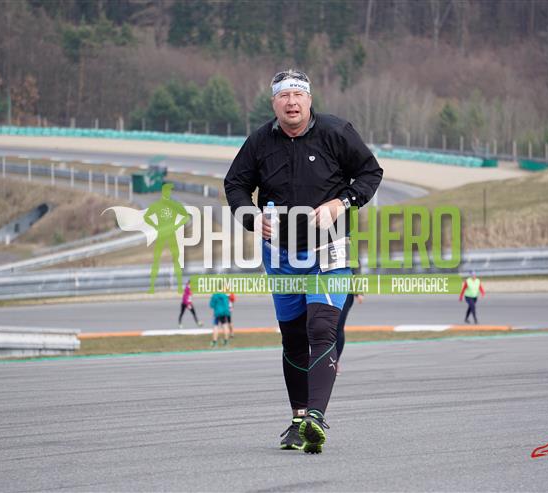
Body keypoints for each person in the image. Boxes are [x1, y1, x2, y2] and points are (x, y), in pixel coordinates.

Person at [224, 69, 383, 454]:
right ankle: (298, 420)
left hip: (330, 247)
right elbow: (236, 185)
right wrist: (251, 217)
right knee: (293, 336)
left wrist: (341, 202)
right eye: (284, 95)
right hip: (280, 253)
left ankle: (315, 416)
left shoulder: (336, 132)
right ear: (274, 103)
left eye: (298, 94)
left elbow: (370, 172)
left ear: (309, 100)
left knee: (322, 327)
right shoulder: (260, 141)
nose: (292, 102)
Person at [143, 183, 189, 294]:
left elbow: (186, 216)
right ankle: (152, 287)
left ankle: (179, 287)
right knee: (156, 260)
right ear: (164, 192)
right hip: (162, 234)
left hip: (171, 234)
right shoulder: (157, 205)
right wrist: (155, 225)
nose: (169, 193)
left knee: (176, 260)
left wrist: (177, 225)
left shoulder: (174, 205)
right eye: (167, 191)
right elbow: (146, 216)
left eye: (170, 191)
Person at [334, 292, 363, 376]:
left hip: (344, 292)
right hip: (323, 291)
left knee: (338, 325)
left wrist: (359, 292)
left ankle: (335, 362)